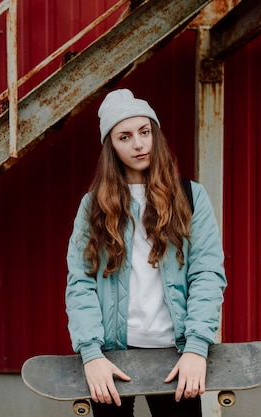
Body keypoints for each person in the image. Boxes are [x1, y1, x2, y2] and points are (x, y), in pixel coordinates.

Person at [65, 89, 227, 417]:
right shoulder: (93, 206)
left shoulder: (190, 196)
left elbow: (207, 274)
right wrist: (91, 354)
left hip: (176, 355)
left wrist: (197, 348)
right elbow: (80, 283)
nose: (138, 144)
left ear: (155, 134)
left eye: (144, 132)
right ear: (111, 145)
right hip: (112, 358)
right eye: (125, 136)